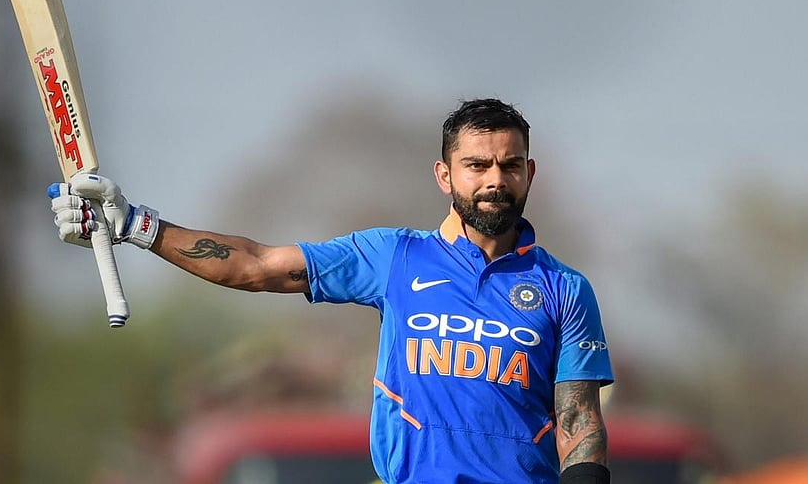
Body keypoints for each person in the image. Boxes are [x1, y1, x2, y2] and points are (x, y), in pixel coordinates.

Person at [49, 98, 614, 484]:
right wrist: (137, 226)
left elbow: (579, 425)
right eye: (477, 165)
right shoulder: (395, 257)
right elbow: (257, 265)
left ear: (528, 173)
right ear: (445, 175)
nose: (494, 180)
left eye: (509, 166)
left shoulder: (564, 289)